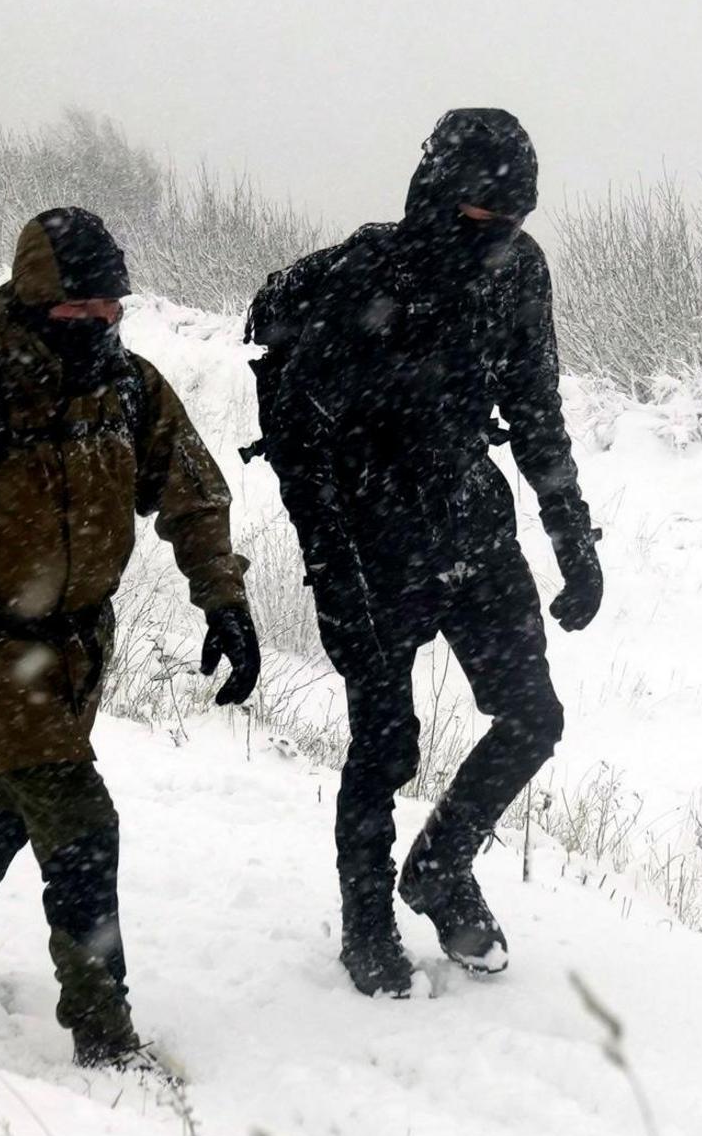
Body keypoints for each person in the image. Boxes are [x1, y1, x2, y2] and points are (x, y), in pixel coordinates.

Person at [0, 207, 259, 1067]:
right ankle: (104, 1038)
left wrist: (224, 602)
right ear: (32, 308)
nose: (98, 332)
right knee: (78, 820)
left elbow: (193, 495)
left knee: (6, 798)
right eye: (78, 316)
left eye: (111, 314)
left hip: (79, 642)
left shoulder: (132, 390)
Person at [247, 107, 601, 998]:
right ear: (438, 196)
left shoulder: (521, 272)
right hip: (373, 536)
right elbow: (299, 442)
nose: (496, 236)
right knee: (384, 740)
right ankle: (367, 924)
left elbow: (535, 408)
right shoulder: (364, 276)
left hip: (473, 523)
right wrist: (331, 567)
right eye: (481, 218)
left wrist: (571, 535)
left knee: (533, 717)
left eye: (514, 219)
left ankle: (439, 869)